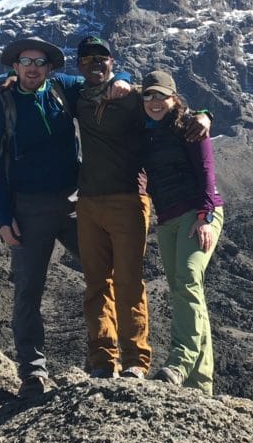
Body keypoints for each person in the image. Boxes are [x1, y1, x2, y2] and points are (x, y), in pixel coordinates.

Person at [0, 36, 129, 398]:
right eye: (25, 61)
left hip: (75, 203)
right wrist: (4, 216)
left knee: (102, 273)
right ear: (15, 67)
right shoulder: (0, 106)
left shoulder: (65, 88)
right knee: (28, 290)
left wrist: (124, 75)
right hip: (27, 210)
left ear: (50, 68)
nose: (32, 67)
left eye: (40, 61)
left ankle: (105, 360)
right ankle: (32, 373)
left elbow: (104, 81)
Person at [73, 37, 210, 380]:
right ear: (78, 65)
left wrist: (206, 116)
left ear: (112, 61)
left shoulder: (134, 96)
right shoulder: (74, 93)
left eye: (101, 58)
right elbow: (34, 80)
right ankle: (103, 361)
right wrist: (8, 81)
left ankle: (136, 360)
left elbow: (170, 107)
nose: (95, 63)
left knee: (130, 282)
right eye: (87, 58)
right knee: (95, 283)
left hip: (130, 199)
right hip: (88, 202)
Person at [140, 70, 224, 396]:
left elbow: (207, 172)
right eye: (148, 95)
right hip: (167, 219)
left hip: (198, 213)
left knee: (188, 278)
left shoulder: (190, 126)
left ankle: (180, 361)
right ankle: (200, 385)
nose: (154, 101)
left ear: (174, 98)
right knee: (184, 290)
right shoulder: (145, 129)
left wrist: (205, 217)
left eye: (161, 95)